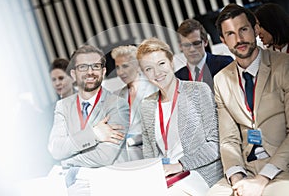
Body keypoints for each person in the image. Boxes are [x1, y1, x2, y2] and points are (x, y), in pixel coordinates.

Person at [207, 3, 289, 196]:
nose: (239, 39)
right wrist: (237, 180)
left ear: (255, 29)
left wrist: (262, 179)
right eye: (230, 34)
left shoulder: (284, 65)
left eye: (243, 29)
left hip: (282, 166)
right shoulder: (220, 80)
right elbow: (228, 140)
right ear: (223, 40)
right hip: (246, 168)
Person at [137, 37, 223, 196]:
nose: (157, 73)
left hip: (198, 173)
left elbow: (216, 143)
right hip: (165, 177)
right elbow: (149, 154)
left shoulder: (198, 91)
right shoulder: (147, 105)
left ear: (172, 62)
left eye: (161, 64)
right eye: (148, 69)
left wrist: (180, 165)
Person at [48, 45, 130, 194]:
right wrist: (94, 134)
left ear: (103, 72)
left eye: (96, 66)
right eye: (83, 67)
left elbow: (104, 156)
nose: (90, 72)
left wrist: (66, 161)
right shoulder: (63, 106)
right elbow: (55, 148)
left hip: (109, 186)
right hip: (75, 188)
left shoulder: (118, 104)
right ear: (73, 74)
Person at [111, 45, 157, 161]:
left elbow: (157, 126)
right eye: (117, 67)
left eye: (125, 66)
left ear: (137, 66)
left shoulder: (154, 88)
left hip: (152, 153)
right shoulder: (116, 95)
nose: (120, 72)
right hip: (126, 157)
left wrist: (132, 140)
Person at [174, 18, 233, 92]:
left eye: (196, 43)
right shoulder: (177, 78)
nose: (192, 49)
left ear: (205, 42)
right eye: (186, 45)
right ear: (180, 47)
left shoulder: (225, 64)